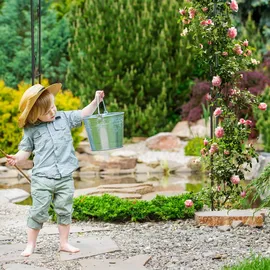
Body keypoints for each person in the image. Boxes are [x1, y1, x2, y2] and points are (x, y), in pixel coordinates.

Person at [6, 83, 104, 257]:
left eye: (53, 107)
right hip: (42, 178)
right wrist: (17, 158)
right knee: (38, 211)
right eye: (46, 111)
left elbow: (83, 114)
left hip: (65, 176)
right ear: (35, 115)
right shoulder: (31, 130)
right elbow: (25, 151)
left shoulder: (64, 117)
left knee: (65, 209)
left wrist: (95, 102)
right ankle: (30, 245)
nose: (52, 112)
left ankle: (64, 243)